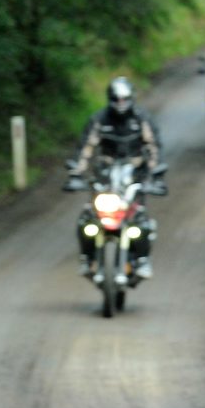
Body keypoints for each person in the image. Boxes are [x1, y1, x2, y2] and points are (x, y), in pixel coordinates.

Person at [69, 76, 163, 280]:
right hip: (105, 177)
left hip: (135, 176)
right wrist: (77, 171)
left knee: (141, 220)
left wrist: (155, 174)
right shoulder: (99, 120)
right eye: (116, 99)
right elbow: (86, 147)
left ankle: (142, 260)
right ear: (110, 99)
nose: (120, 103)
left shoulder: (141, 119)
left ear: (131, 98)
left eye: (124, 99)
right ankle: (87, 257)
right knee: (87, 220)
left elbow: (153, 146)